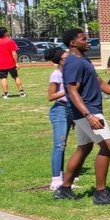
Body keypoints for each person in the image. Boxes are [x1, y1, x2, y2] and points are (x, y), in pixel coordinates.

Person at [54, 28, 110, 205]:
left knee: (84, 148)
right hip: (87, 111)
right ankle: (100, 193)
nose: (88, 41)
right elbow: (72, 91)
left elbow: (98, 82)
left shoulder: (83, 60)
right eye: (83, 39)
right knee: (107, 145)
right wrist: (88, 116)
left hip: (87, 111)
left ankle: (64, 189)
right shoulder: (73, 63)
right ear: (73, 43)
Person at [44, 47, 75, 191]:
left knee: (63, 145)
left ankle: (62, 179)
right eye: (65, 59)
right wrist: (66, 91)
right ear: (59, 61)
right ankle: (55, 180)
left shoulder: (68, 73)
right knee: (59, 145)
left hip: (69, 110)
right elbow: (50, 97)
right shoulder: (56, 75)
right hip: (59, 111)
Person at [0, 27, 25, 99]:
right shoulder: (9, 41)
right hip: (11, 63)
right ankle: (22, 93)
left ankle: (5, 94)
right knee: (15, 77)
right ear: (4, 33)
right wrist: (16, 63)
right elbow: (14, 53)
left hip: (0, 64)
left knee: (3, 78)